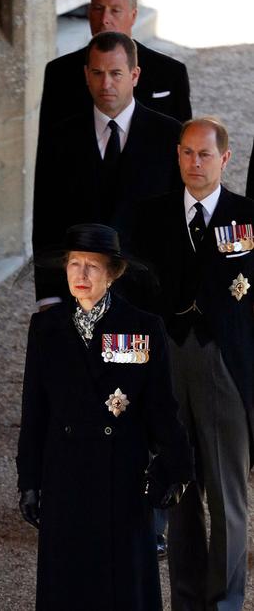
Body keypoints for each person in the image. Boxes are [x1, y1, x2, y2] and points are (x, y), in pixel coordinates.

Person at [17, 223, 193, 611]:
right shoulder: (45, 328)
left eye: (92, 266)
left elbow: (161, 407)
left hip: (121, 478)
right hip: (64, 476)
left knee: (122, 587)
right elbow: (35, 412)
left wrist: (176, 468)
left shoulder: (143, 329)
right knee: (68, 584)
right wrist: (28, 480)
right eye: (74, 264)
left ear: (114, 273)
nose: (80, 275)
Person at [133, 118, 254, 611]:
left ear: (225, 159)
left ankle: (224, 602)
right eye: (186, 153)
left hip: (223, 364)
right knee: (178, 485)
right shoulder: (152, 216)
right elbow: (137, 295)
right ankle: (186, 600)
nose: (194, 163)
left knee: (226, 494)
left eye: (204, 155)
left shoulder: (246, 218)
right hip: (167, 362)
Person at [32, 31, 181, 303]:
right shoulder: (60, 138)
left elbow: (179, 222)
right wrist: (48, 297)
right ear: (86, 75)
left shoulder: (170, 136)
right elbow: (46, 220)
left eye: (116, 73)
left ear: (134, 76)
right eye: (98, 73)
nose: (106, 84)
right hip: (77, 297)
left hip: (148, 297)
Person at [39, 0, 191, 138]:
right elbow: (48, 148)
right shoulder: (59, 73)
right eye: (98, 8)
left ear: (133, 16)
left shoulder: (170, 73)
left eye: (115, 10)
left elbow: (185, 148)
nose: (104, 18)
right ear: (89, 13)